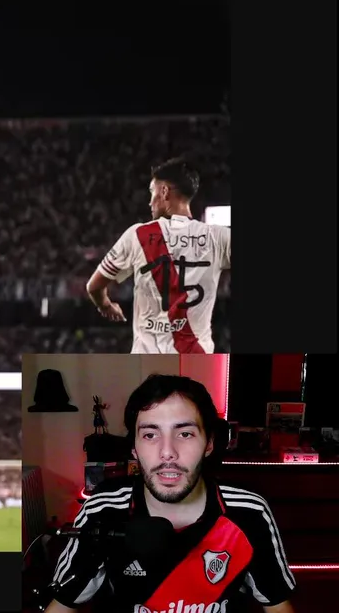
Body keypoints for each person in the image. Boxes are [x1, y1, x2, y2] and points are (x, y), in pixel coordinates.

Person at [47, 375, 295, 613]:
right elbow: (62, 604)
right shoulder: (103, 509)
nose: (167, 452)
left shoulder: (250, 511)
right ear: (134, 448)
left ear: (209, 444)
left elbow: (277, 605)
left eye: (185, 434)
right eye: (150, 435)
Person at [87, 157, 231, 353]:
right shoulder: (219, 237)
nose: (149, 202)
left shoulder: (138, 235)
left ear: (164, 191)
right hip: (196, 361)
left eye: (151, 192)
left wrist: (105, 305)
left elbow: (94, 286)